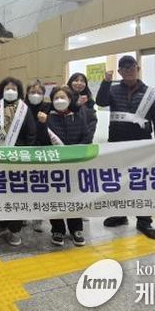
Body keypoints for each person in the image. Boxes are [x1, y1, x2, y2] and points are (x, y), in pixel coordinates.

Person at [95, 55, 155, 240]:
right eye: (124, 68)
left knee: (142, 184)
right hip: (117, 144)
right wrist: (105, 82)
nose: (129, 70)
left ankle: (144, 221)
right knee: (119, 181)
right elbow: (100, 102)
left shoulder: (151, 93)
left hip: (142, 146)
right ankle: (120, 214)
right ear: (119, 71)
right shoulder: (112, 90)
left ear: (138, 68)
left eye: (132, 67)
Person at [37, 86, 92, 247]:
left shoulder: (78, 116)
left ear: (70, 100)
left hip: (74, 165)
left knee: (74, 196)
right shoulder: (47, 118)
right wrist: (42, 124)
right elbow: (41, 141)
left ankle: (76, 229)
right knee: (55, 198)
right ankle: (57, 229)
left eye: (63, 97)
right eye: (56, 98)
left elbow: (87, 137)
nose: (59, 100)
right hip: (54, 166)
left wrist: (76, 153)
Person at [0, 77, 37, 246]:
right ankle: (1, 225)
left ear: (19, 91)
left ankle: (15, 229)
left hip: (18, 157)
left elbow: (31, 133)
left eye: (14, 88)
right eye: (7, 88)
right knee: (0, 191)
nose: (10, 91)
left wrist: (24, 153)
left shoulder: (24, 109)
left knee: (17, 193)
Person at [25, 80, 51, 233]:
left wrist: (43, 122)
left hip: (42, 151)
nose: (35, 95)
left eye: (39, 92)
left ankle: (38, 217)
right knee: (23, 185)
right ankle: (23, 214)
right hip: (25, 151)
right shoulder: (21, 107)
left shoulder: (48, 107)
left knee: (39, 185)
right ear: (27, 93)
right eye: (32, 92)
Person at [67, 72, 98, 141]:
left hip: (86, 140)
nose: (79, 83)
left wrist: (87, 139)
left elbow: (92, 121)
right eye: (76, 80)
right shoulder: (65, 98)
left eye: (82, 81)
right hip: (68, 140)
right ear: (70, 83)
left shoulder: (89, 100)